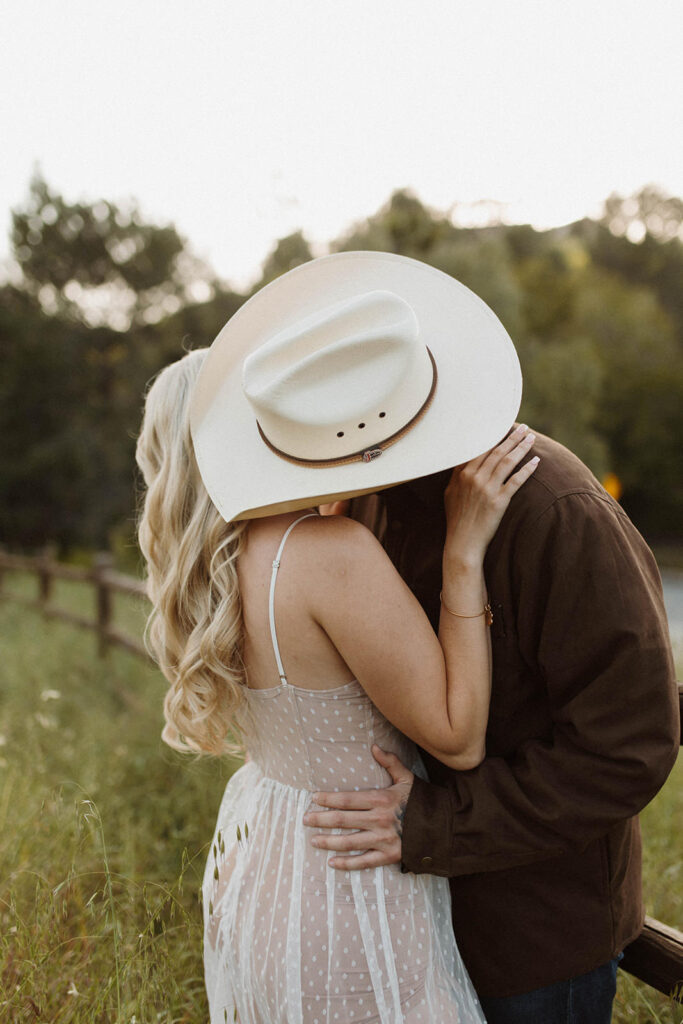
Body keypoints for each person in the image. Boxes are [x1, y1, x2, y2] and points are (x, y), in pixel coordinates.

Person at [135, 252, 538, 1023]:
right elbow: (456, 739)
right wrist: (463, 554)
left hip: (264, 872)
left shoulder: (215, 575)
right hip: (348, 890)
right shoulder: (323, 555)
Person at [303, 441, 680, 1023]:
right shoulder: (370, 501)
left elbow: (624, 749)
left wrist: (434, 821)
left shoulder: (556, 507)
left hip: (531, 937)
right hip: (411, 917)